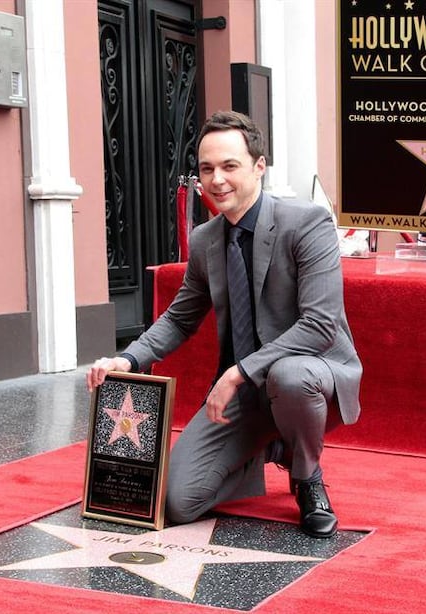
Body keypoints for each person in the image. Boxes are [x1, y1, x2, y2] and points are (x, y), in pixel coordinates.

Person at [87, 110, 362, 539]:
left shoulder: (307, 223)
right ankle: (270, 443)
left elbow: (320, 324)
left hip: (311, 378)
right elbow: (180, 318)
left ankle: (306, 476)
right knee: (179, 501)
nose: (217, 180)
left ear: (258, 167)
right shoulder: (205, 240)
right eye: (207, 169)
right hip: (249, 395)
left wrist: (238, 372)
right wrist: (128, 358)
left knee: (289, 376)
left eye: (230, 166)